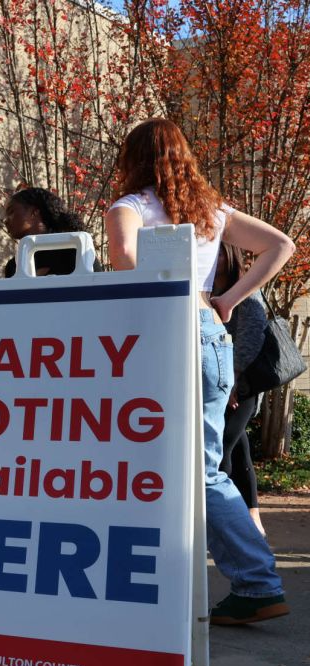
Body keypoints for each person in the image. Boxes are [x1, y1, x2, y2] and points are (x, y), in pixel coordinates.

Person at [106, 117, 293, 625]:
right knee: (193, 467)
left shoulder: (130, 207)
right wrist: (227, 299)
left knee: (184, 470)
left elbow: (122, 258)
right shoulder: (211, 211)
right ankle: (202, 577)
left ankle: (256, 582)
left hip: (160, 340)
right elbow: (282, 244)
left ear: (133, 159)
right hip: (211, 335)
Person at [213, 245, 268, 538]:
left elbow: (252, 334)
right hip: (216, 384)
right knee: (239, 448)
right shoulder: (204, 290)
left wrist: (232, 376)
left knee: (219, 452)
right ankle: (253, 520)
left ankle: (227, 526)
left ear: (232, 255)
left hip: (241, 386)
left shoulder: (244, 289)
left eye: (221, 253)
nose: (215, 258)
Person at [2, 187, 103, 277]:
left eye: (11, 212)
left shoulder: (76, 253)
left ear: (34, 212)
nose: (5, 220)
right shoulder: (14, 266)